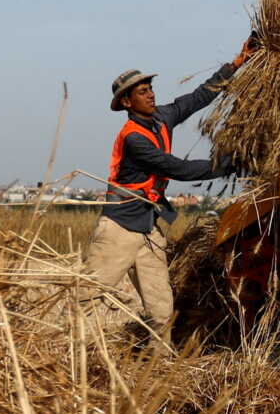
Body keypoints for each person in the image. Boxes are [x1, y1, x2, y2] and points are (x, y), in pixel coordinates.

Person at [89, 42, 254, 330]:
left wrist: (237, 63)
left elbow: (199, 96)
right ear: (127, 102)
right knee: (88, 298)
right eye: (142, 91)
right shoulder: (134, 139)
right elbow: (177, 168)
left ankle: (159, 364)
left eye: (150, 87)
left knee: (162, 308)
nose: (150, 94)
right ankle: (75, 358)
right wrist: (228, 164)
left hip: (149, 227)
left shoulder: (163, 117)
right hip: (120, 227)